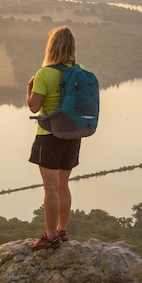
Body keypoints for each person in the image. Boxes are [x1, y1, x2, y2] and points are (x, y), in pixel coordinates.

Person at [26, 26, 83, 250]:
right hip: (72, 135)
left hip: (49, 136)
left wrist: (29, 87)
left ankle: (50, 236)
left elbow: (33, 106)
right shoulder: (81, 71)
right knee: (63, 185)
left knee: (50, 188)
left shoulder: (44, 74)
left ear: (51, 46)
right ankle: (62, 229)